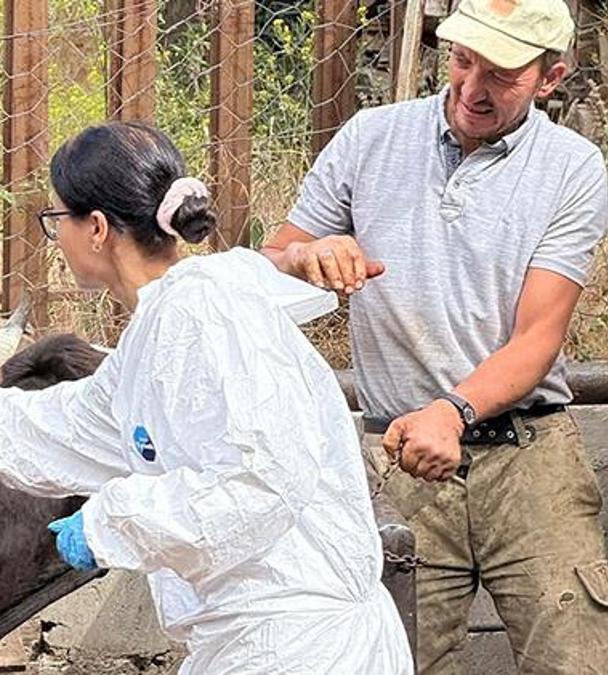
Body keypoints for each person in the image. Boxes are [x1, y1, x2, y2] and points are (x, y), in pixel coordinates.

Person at [0, 121, 412, 673]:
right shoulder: (163, 323)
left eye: (56, 219)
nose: (55, 236)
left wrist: (112, 522)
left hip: (301, 645)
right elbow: (74, 427)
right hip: (255, 641)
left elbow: (260, 480)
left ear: (96, 228)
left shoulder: (205, 316)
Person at [260, 0, 608, 670]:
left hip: (529, 460)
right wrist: (307, 258)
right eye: (462, 59)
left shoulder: (572, 166)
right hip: (397, 455)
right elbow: (271, 260)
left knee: (576, 656)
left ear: (550, 77)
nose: (472, 88)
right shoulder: (371, 137)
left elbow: (540, 335)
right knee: (394, 659)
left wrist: (450, 411)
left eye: (501, 73)